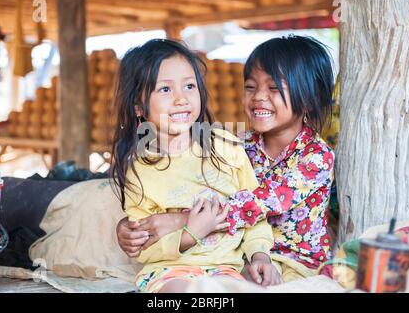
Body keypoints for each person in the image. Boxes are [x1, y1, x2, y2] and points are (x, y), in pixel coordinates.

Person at [117, 35, 336, 283]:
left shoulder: (315, 157)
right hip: (236, 256)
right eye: (250, 87)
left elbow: (254, 206)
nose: (258, 97)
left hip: (292, 262)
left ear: (308, 99)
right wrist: (132, 226)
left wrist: (181, 220)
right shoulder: (236, 145)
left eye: (274, 88)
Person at [110, 38, 280, 293]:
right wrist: (192, 233)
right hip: (169, 272)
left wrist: (260, 255)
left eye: (189, 86)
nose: (181, 99)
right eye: (165, 90)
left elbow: (253, 212)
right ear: (138, 106)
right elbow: (142, 245)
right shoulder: (140, 171)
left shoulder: (226, 147)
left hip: (225, 268)